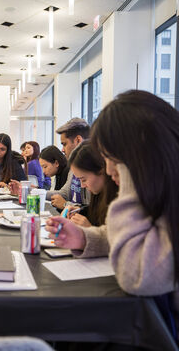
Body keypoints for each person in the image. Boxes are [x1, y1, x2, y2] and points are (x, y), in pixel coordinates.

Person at [46, 90, 179, 326]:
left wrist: (129, 174)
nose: (108, 170)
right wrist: (85, 238)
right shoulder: (160, 191)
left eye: (110, 158)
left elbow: (137, 275)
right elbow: (130, 237)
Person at [66, 140, 118, 227]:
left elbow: (113, 239)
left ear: (101, 170)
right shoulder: (99, 193)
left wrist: (90, 229)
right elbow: (96, 211)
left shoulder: (117, 201)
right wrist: (80, 210)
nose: (82, 185)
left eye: (84, 179)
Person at [50, 118, 90, 210]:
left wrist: (66, 205)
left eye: (64, 144)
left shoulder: (92, 167)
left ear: (78, 140)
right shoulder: (73, 164)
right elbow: (64, 193)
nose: (62, 150)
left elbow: (92, 210)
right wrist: (32, 192)